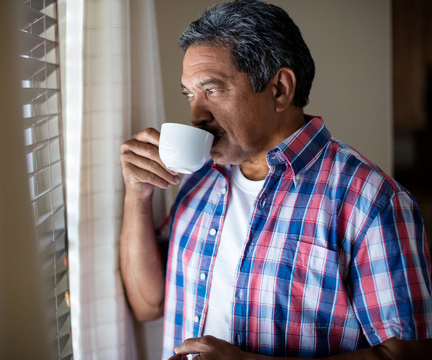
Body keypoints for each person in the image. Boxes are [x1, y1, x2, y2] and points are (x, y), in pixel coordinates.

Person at [119, 0, 432, 359]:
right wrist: (136, 195)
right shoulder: (199, 179)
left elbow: (408, 354)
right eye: (190, 94)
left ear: (280, 89)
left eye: (213, 90)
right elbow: (148, 305)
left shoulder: (371, 200)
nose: (196, 114)